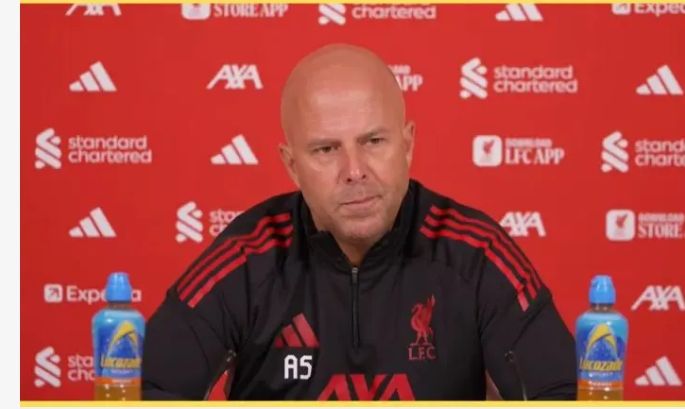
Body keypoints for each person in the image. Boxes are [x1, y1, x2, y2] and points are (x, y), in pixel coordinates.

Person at [142, 44, 577, 400]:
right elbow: (147, 391)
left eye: (373, 141)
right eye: (326, 150)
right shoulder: (245, 259)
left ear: (407, 145)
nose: (354, 170)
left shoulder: (476, 255)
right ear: (292, 165)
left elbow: (561, 394)